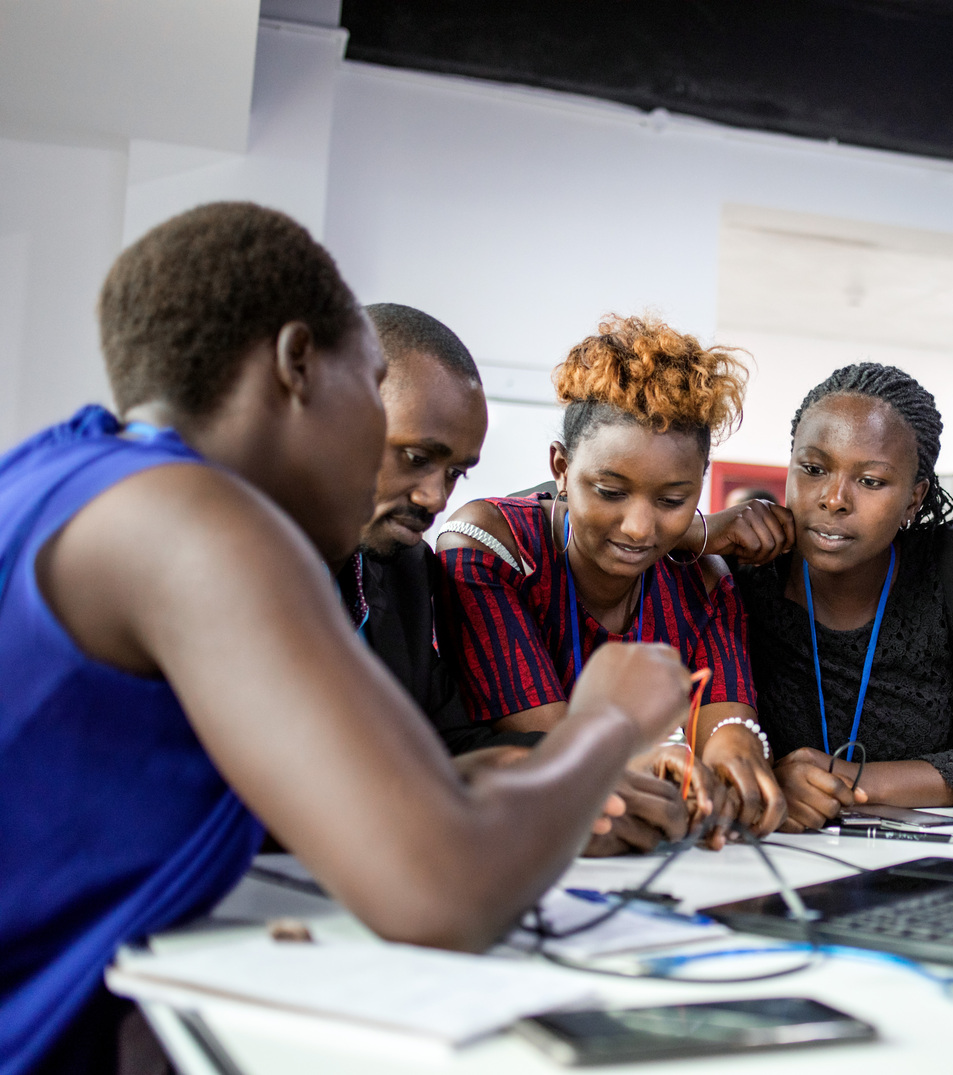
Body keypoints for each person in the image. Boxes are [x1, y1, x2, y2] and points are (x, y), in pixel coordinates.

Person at [0, 203, 693, 1075]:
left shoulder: (56, 470)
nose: (432, 492)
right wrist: (604, 722)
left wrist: (445, 783)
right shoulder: (196, 520)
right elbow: (446, 892)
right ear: (297, 364)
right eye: (372, 386)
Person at [344, 303, 708, 856]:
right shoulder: (246, 554)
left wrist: (586, 781)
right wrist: (553, 792)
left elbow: (451, 745)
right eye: (415, 458)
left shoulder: (403, 571)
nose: (435, 499)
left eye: (454, 474)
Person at [437, 315, 787, 840]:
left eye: (673, 500)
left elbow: (731, 722)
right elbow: (558, 756)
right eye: (610, 491)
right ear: (560, 467)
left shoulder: (705, 584)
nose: (640, 529)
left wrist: (738, 760)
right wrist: (666, 759)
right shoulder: (495, 550)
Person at [737, 363, 953, 832]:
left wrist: (847, 781)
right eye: (814, 469)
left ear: (914, 499)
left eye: (872, 481)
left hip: (927, 859)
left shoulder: (950, 565)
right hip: (774, 847)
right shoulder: (747, 574)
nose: (834, 499)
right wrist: (704, 537)